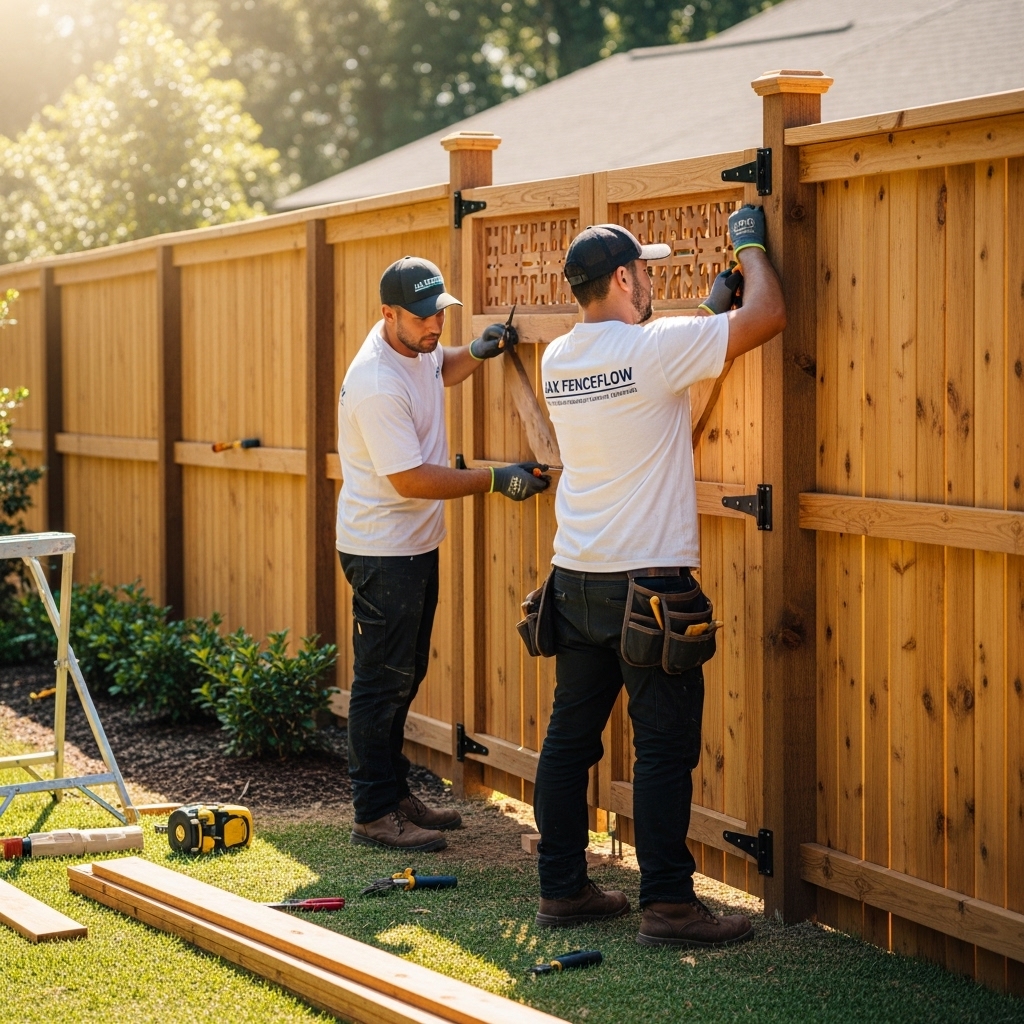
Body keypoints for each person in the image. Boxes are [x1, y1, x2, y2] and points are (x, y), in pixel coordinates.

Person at [532, 208, 786, 946]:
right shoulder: (655, 349)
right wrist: (750, 245)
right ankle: (670, 906)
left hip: (575, 578)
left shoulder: (558, 358)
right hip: (647, 588)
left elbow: (647, 365)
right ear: (622, 277)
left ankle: (562, 891)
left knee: (568, 742)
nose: (650, 281)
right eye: (644, 270)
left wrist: (709, 310)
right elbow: (768, 314)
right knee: (664, 750)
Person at [337, 256, 549, 853]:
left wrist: (475, 352)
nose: (435, 325)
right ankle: (373, 812)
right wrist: (495, 479)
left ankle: (393, 793)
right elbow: (409, 478)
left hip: (412, 546)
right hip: (382, 550)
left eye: (440, 313)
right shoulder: (376, 383)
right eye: (423, 316)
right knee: (382, 684)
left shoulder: (416, 344)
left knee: (404, 677)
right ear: (388, 314)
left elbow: (439, 366)